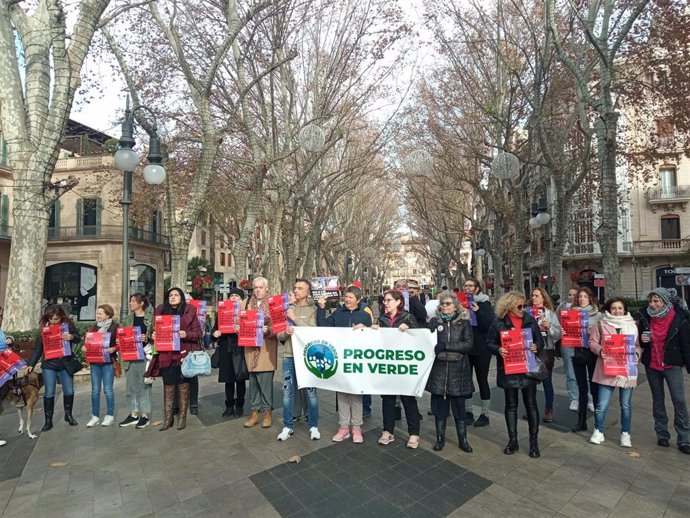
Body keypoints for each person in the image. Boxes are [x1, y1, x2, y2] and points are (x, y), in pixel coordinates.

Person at [486, 291, 545, 458]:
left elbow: (539, 340)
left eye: (524, 305)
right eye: (520, 306)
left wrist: (536, 347)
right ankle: (513, 441)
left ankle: (534, 443)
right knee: (511, 405)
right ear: (509, 306)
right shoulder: (498, 323)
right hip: (509, 369)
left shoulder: (529, 320)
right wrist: (498, 349)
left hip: (528, 369)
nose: (523, 308)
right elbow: (488, 342)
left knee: (531, 405)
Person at [317, 285, 372, 443]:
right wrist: (321, 308)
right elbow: (324, 326)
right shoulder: (338, 313)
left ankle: (356, 428)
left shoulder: (364, 315)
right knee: (341, 393)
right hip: (340, 359)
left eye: (350, 297)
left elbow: (373, 337)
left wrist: (365, 329)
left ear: (358, 299)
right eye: (345, 297)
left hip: (356, 361)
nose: (347, 300)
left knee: (356, 394)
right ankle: (343, 427)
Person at [638, 288, 690, 454]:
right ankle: (662, 434)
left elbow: (686, 344)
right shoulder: (645, 317)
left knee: (679, 400)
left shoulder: (678, 318)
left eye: (656, 301)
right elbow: (640, 340)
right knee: (658, 400)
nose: (652, 305)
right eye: (651, 301)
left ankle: (684, 438)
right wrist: (643, 340)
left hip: (672, 365)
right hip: (652, 365)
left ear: (665, 302)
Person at [588, 298, 640, 447]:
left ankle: (625, 433)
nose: (617, 311)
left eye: (620, 308)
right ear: (609, 310)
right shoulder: (601, 324)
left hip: (626, 370)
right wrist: (600, 350)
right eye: (614, 308)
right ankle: (598, 431)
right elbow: (592, 342)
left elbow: (637, 345)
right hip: (607, 369)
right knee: (602, 405)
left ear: (624, 309)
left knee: (625, 405)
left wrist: (636, 354)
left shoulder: (632, 325)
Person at [426, 290, 474, 452]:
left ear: (455, 306)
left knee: (459, 409)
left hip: (458, 371)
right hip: (439, 371)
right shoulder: (435, 321)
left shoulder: (464, 322)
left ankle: (463, 440)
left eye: (448, 303)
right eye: (442, 303)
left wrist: (447, 346)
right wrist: (428, 329)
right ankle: (440, 439)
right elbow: (424, 342)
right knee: (440, 409)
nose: (444, 306)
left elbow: (468, 345)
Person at [372, 289, 420, 448]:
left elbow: (419, 339)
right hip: (387, 366)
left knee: (408, 400)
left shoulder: (408, 317)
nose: (385, 303)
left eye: (388, 300)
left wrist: (410, 329)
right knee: (388, 399)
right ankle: (388, 431)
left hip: (404, 367)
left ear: (398, 302)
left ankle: (414, 434)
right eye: (384, 301)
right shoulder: (382, 318)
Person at [276, 279, 321, 441]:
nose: (296, 290)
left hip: (308, 358)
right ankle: (288, 426)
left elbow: (314, 331)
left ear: (308, 292)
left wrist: (295, 319)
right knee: (287, 393)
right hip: (289, 355)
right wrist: (286, 333)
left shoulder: (313, 310)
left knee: (310, 392)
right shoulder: (287, 309)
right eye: (295, 287)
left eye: (300, 288)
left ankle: (313, 425)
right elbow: (279, 334)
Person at [153, 287, 202, 431]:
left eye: (176, 295)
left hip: (183, 353)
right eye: (170, 295)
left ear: (181, 297)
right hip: (166, 353)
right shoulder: (160, 311)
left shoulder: (190, 310)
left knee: (183, 385)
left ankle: (182, 418)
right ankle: (168, 418)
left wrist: (186, 334)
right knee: (168, 385)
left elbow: (198, 332)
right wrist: (153, 335)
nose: (173, 297)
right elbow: (153, 329)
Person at [27, 305, 82, 431]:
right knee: (49, 392)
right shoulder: (43, 329)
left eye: (56, 319)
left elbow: (78, 338)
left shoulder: (67, 326)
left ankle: (68, 415)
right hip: (49, 364)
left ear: (61, 317)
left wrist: (71, 337)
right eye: (51, 319)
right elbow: (38, 349)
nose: (53, 321)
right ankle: (48, 420)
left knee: (69, 390)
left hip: (65, 363)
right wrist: (31, 364)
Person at [243, 277, 279, 429]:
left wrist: (269, 330)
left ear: (266, 288)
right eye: (255, 287)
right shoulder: (245, 303)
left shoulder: (273, 303)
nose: (257, 290)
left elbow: (279, 326)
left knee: (265, 383)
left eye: (260, 287)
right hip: (250, 348)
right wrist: (238, 328)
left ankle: (267, 413)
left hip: (266, 348)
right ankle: (254, 412)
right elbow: (239, 322)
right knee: (253, 384)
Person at [462, 278, 496, 427]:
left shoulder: (485, 304)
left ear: (477, 288)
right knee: (467, 381)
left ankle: (485, 414)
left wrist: (478, 311)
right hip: (467, 348)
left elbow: (489, 325)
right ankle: (468, 411)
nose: (468, 288)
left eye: (471, 286)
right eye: (466, 286)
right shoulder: (462, 305)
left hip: (482, 349)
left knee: (482, 380)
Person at [118, 293, 154, 429]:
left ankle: (144, 416)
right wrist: (120, 340)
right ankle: (133, 414)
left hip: (145, 355)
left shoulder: (150, 318)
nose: (130, 303)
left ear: (141, 303)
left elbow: (156, 335)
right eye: (130, 301)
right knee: (130, 385)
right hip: (130, 355)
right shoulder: (128, 319)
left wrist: (148, 338)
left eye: (133, 301)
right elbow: (124, 334)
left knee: (144, 386)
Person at [213, 287, 249, 419]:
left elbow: (251, 331)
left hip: (239, 349)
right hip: (225, 349)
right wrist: (215, 334)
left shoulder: (245, 313)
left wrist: (241, 328)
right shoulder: (221, 313)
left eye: (237, 296)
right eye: (232, 295)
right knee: (228, 380)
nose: (233, 298)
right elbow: (214, 331)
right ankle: (229, 406)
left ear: (241, 300)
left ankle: (239, 405)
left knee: (240, 379)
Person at [527, 288, 561, 423]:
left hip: (546, 350)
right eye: (532, 295)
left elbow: (558, 335)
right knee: (530, 382)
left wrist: (549, 327)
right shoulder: (526, 312)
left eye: (537, 295)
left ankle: (549, 409)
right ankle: (531, 410)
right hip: (530, 350)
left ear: (543, 298)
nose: (534, 298)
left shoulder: (550, 314)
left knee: (547, 381)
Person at [570, 287, 601, 433]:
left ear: (590, 298)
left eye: (585, 296)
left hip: (593, 354)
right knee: (582, 388)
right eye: (580, 297)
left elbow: (605, 334)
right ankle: (581, 421)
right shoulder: (570, 314)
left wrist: (593, 333)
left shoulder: (598, 315)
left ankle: (598, 423)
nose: (582, 299)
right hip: (576, 353)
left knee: (595, 388)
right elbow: (562, 333)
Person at [85, 304, 119, 427]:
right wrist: (85, 347)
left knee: (108, 390)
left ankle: (109, 415)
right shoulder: (93, 328)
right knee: (95, 390)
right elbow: (87, 342)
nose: (97, 315)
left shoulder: (115, 327)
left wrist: (113, 349)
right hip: (95, 363)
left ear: (108, 315)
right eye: (97, 313)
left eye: (100, 313)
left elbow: (120, 344)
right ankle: (95, 416)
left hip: (108, 363)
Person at [558, 287, 580, 411]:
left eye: (574, 295)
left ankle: (589, 398)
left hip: (582, 344)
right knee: (570, 373)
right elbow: (556, 323)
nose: (571, 297)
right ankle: (574, 398)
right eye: (570, 294)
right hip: (567, 342)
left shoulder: (585, 309)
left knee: (586, 374)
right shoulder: (562, 308)